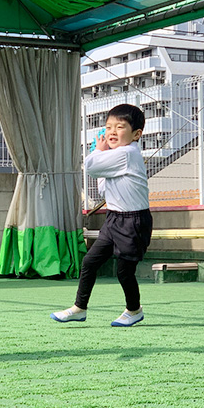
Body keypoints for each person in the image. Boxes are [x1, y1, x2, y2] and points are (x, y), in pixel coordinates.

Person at [51, 104, 152, 327]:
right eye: (108, 127)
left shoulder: (127, 153)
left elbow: (90, 165)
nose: (112, 132)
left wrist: (99, 149)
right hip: (114, 219)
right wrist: (104, 153)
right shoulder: (118, 156)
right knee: (89, 262)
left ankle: (134, 310)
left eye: (120, 127)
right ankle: (79, 308)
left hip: (133, 221)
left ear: (136, 134)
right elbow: (103, 187)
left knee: (124, 272)